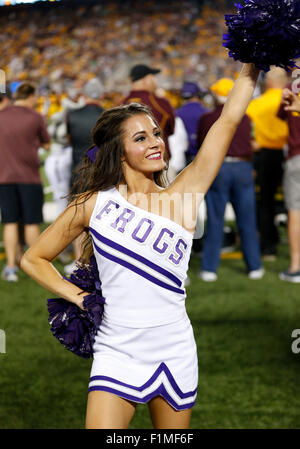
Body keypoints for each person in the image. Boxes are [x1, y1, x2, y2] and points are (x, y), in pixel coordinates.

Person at [21, 63, 260, 429]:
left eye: (155, 134)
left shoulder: (183, 195)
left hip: (173, 346)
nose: (155, 143)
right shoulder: (92, 203)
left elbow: (227, 120)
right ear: (119, 152)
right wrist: (79, 297)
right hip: (117, 348)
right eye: (141, 138)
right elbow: (33, 258)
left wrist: (253, 58)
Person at [197, 78, 263, 281]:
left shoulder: (207, 118)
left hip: (220, 167)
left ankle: (209, 268)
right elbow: (253, 144)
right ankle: (254, 267)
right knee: (247, 219)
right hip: (243, 167)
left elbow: (201, 146)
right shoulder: (246, 118)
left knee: (216, 219)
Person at [0, 82, 50, 282]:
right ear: (29, 95)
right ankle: (37, 268)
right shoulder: (35, 117)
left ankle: (11, 267)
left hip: (4, 177)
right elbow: (46, 143)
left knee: (10, 222)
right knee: (31, 224)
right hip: (29, 178)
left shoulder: (1, 115)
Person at [247, 68, 289, 260]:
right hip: (290, 152)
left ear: (269, 82)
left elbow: (248, 132)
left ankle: (269, 246)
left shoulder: (256, 104)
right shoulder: (292, 100)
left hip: (265, 155)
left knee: (266, 202)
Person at [64, 78, 104, 273]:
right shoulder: (108, 116)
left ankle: (80, 261)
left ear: (84, 95)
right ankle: (99, 260)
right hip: (103, 172)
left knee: (78, 218)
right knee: (102, 219)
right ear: (102, 94)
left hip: (79, 171)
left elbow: (68, 139)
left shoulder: (72, 115)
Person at [122, 64, 175, 160]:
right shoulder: (159, 102)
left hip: (131, 161)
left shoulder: (121, 103)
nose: (155, 81)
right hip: (158, 158)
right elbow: (171, 129)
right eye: (153, 77)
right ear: (147, 79)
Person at [277, 87, 300, 282]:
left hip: (295, 158)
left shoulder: (294, 89)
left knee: (295, 211)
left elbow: (281, 114)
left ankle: (295, 266)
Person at [176, 81, 208, 166]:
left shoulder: (176, 113)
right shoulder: (207, 112)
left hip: (185, 156)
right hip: (204, 155)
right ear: (198, 94)